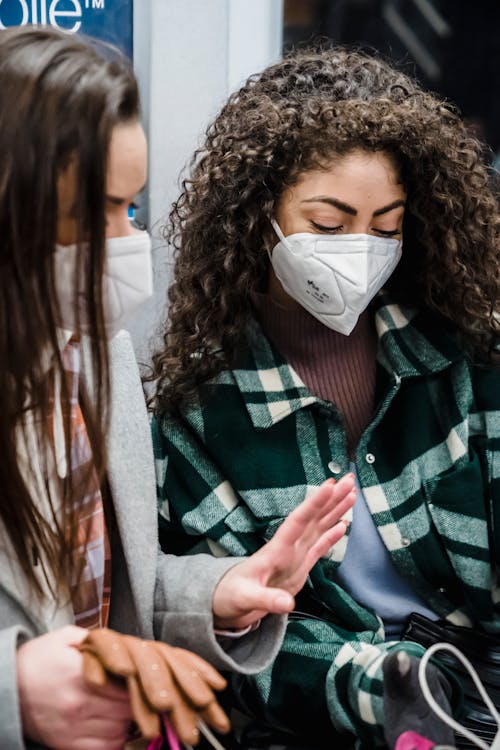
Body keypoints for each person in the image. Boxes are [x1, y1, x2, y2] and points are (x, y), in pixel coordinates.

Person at [0, 27, 356, 750]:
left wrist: (224, 592)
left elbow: (110, 594)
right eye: (93, 212)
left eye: (132, 207)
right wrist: (13, 691)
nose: (128, 240)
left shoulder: (95, 360)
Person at [150, 46, 500, 749]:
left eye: (387, 226)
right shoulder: (196, 415)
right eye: (331, 226)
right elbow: (250, 647)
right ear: (259, 217)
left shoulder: (466, 359)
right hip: (341, 724)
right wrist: (395, 692)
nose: (361, 249)